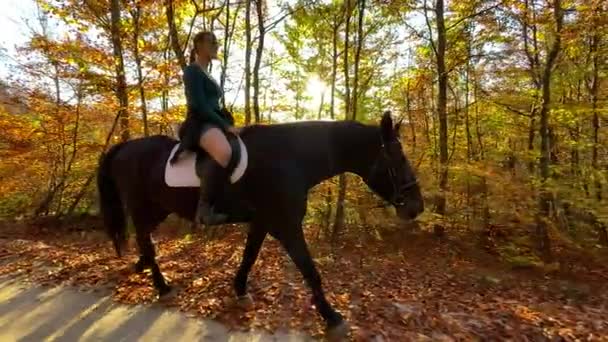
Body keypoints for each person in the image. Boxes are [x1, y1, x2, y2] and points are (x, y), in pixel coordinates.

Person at [179, 31, 237, 225]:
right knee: (224, 151)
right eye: (212, 42)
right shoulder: (191, 71)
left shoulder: (208, 75)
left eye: (217, 41)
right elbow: (200, 105)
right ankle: (203, 210)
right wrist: (225, 126)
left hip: (213, 121)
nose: (216, 45)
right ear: (199, 45)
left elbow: (213, 105)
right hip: (199, 123)